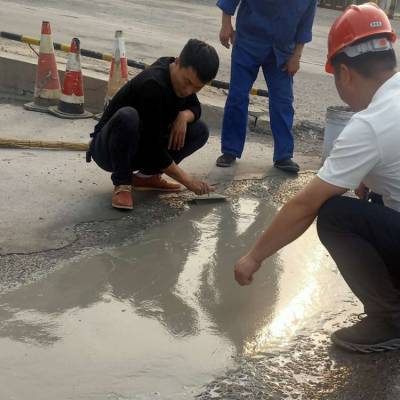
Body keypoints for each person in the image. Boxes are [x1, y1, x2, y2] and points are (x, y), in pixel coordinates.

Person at [234, 3, 400, 354]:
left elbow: (305, 204)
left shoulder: (370, 125)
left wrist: (254, 257)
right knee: (371, 197)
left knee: (336, 214)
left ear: (345, 74)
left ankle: (390, 319)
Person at [87, 39, 219, 210]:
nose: (188, 91)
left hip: (141, 146)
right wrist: (188, 181)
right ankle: (122, 184)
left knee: (199, 130)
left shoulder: (181, 79)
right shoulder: (153, 85)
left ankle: (146, 177)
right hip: (109, 148)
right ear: (178, 61)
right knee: (129, 116)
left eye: (197, 88)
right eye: (187, 83)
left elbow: (195, 107)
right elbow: (153, 148)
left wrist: (183, 116)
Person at [215, 0, 317, 173]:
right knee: (237, 96)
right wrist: (226, 25)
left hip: (283, 51)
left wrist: (297, 55)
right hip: (248, 43)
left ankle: (283, 155)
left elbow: (306, 22)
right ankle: (230, 150)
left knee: (283, 102)